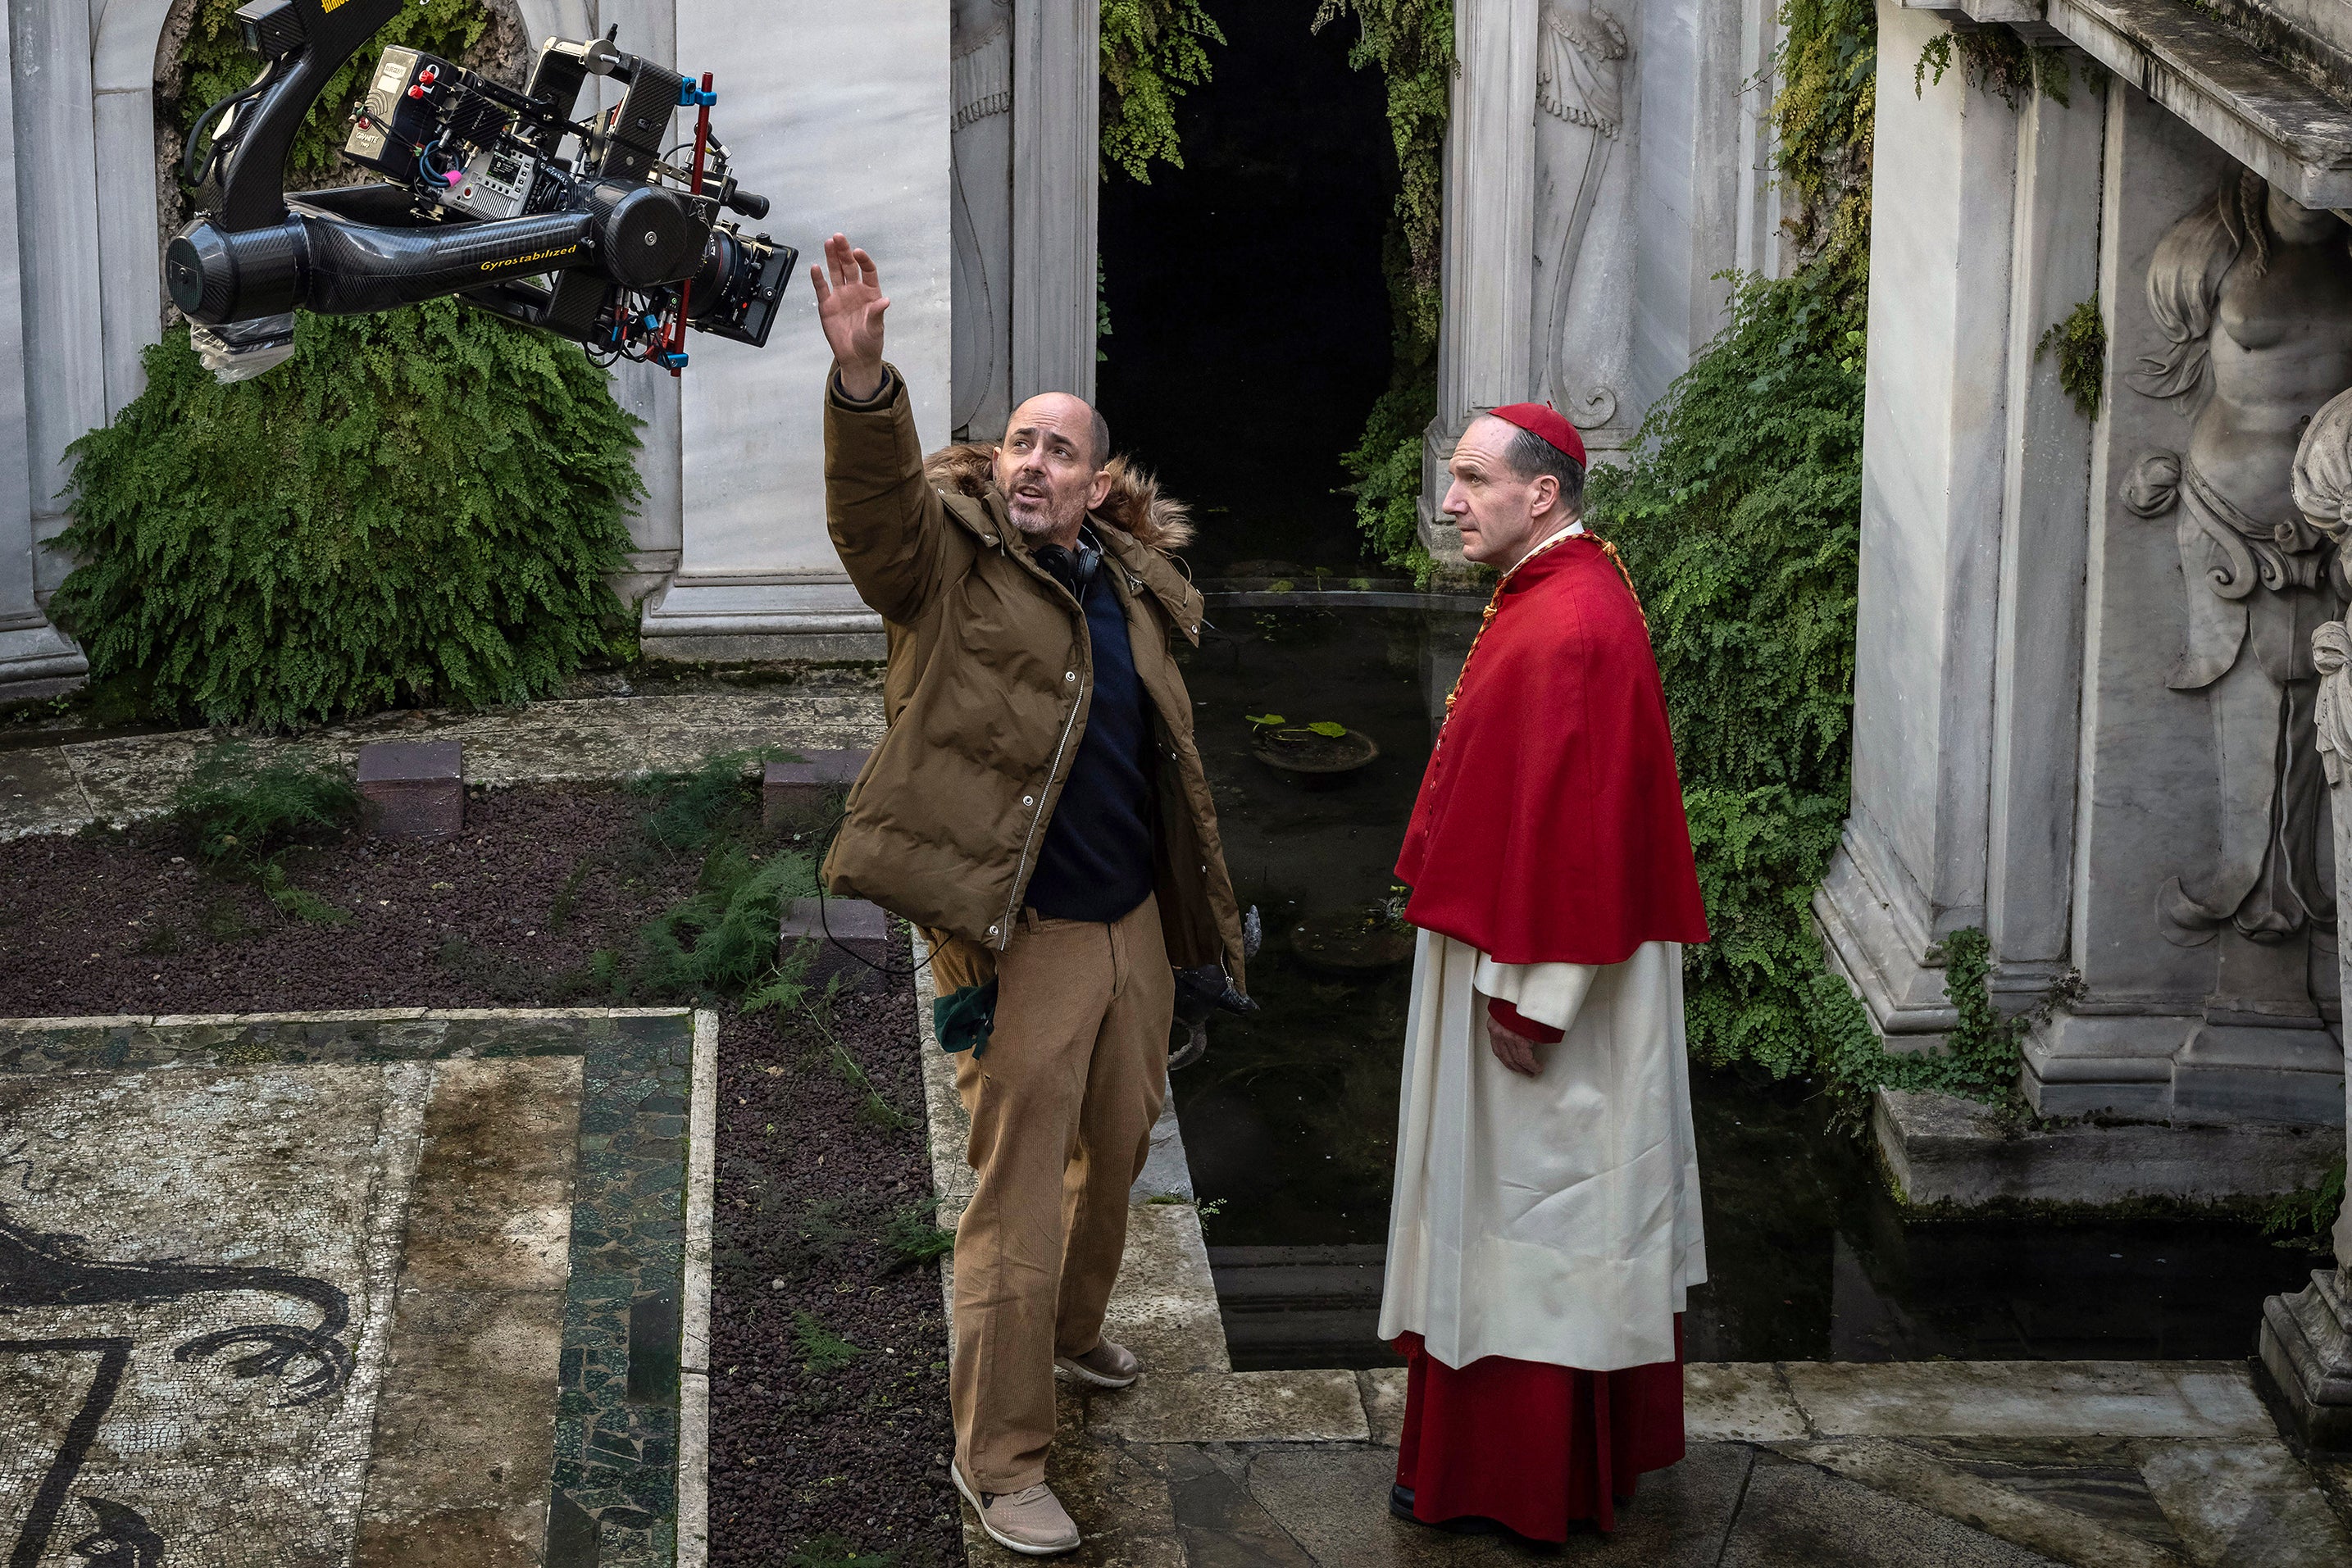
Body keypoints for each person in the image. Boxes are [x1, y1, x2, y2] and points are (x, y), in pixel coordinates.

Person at [808, 234, 1249, 1557]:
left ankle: (1066, 1332)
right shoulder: (946, 559)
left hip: (1130, 928)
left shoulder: (1129, 583)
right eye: (1017, 445)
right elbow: (873, 525)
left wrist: (1189, 927)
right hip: (1028, 929)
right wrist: (863, 382)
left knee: (1113, 1152)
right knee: (1013, 1189)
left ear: (1098, 479)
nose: (1032, 465)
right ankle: (999, 1458)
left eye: (1059, 450)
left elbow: (1169, 761)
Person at [1377, 402, 1710, 1540]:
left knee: (1534, 1218)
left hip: (1538, 986)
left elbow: (1578, 830)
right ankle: (1493, 1465)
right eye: (1452, 478)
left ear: (1543, 492)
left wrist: (1536, 994)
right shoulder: (1561, 590)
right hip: (1519, 958)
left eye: (1471, 479)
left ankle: (1518, 1478)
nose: (1450, 500)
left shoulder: (1569, 622)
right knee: (1524, 1216)